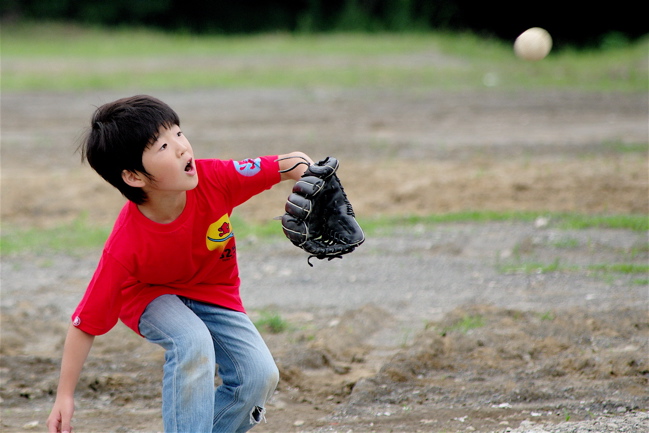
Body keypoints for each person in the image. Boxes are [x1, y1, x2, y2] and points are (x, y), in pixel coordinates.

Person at [46, 95, 314, 433]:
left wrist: (311, 176)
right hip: (148, 295)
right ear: (133, 176)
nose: (181, 147)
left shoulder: (216, 178)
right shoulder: (126, 242)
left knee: (259, 377)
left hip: (212, 291)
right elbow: (85, 323)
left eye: (178, 133)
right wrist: (64, 396)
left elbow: (288, 163)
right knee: (192, 341)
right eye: (162, 146)